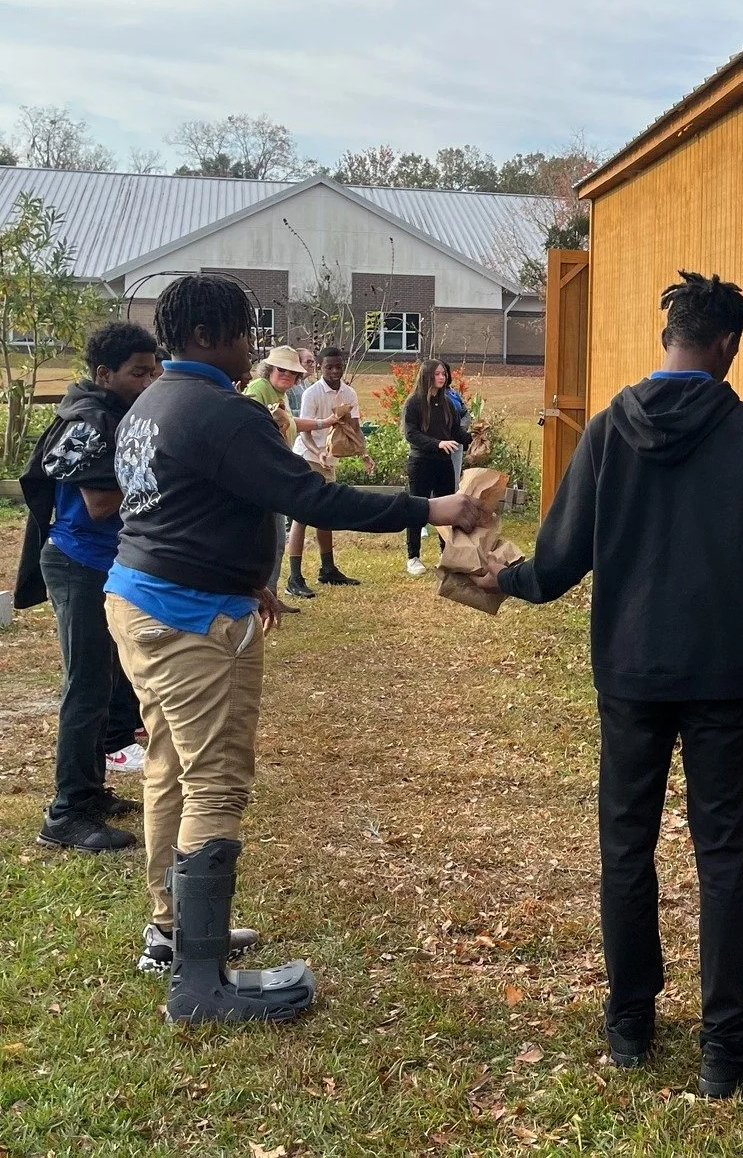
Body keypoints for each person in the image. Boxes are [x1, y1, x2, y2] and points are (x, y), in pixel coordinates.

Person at [104, 274, 487, 1020]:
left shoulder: (151, 403)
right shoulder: (224, 411)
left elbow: (184, 505)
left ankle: (174, 929)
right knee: (214, 783)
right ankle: (200, 987)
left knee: (170, 766)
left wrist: (251, 576)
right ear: (213, 337)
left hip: (141, 599)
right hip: (188, 621)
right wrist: (433, 506)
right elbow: (311, 497)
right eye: (249, 333)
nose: (255, 350)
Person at [473, 271, 743, 1098]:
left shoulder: (611, 429)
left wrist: (494, 576)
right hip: (722, 672)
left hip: (630, 668)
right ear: (726, 345)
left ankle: (630, 1027)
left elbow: (553, 564)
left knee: (627, 845)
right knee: (720, 851)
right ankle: (726, 1047)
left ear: (670, 338)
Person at [16, 322, 161, 854]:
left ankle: (91, 791)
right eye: (137, 372)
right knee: (85, 688)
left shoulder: (111, 411)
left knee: (105, 684)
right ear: (104, 373)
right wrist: (164, 477)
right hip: (79, 563)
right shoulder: (90, 420)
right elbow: (100, 505)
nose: (149, 381)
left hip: (102, 562)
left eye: (154, 371)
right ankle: (66, 814)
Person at [285, 345, 371, 598]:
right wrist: (318, 452)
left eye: (338, 366)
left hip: (329, 458)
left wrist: (364, 452)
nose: (334, 371)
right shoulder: (312, 393)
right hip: (308, 456)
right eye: (328, 367)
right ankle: (294, 577)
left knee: (325, 514)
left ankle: (328, 569)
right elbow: (304, 430)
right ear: (320, 368)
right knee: (302, 515)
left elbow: (354, 428)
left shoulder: (349, 393)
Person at [244, 347, 312, 599]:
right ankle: (262, 598)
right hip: (261, 478)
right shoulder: (260, 388)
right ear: (269, 369)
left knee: (276, 542)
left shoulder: (278, 393)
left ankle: (270, 595)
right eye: (281, 369)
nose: (286, 375)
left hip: (275, 476)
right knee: (268, 541)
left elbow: (288, 427)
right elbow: (249, 425)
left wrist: (323, 423)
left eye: (292, 371)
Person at [403, 359, 469, 576]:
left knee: (447, 509)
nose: (442, 378)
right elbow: (411, 434)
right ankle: (413, 557)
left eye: (443, 374)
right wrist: (437, 443)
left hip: (443, 463)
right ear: (427, 376)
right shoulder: (413, 403)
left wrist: (474, 437)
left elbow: (455, 433)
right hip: (421, 462)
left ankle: (446, 554)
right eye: (437, 374)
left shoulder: (448, 404)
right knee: (417, 509)